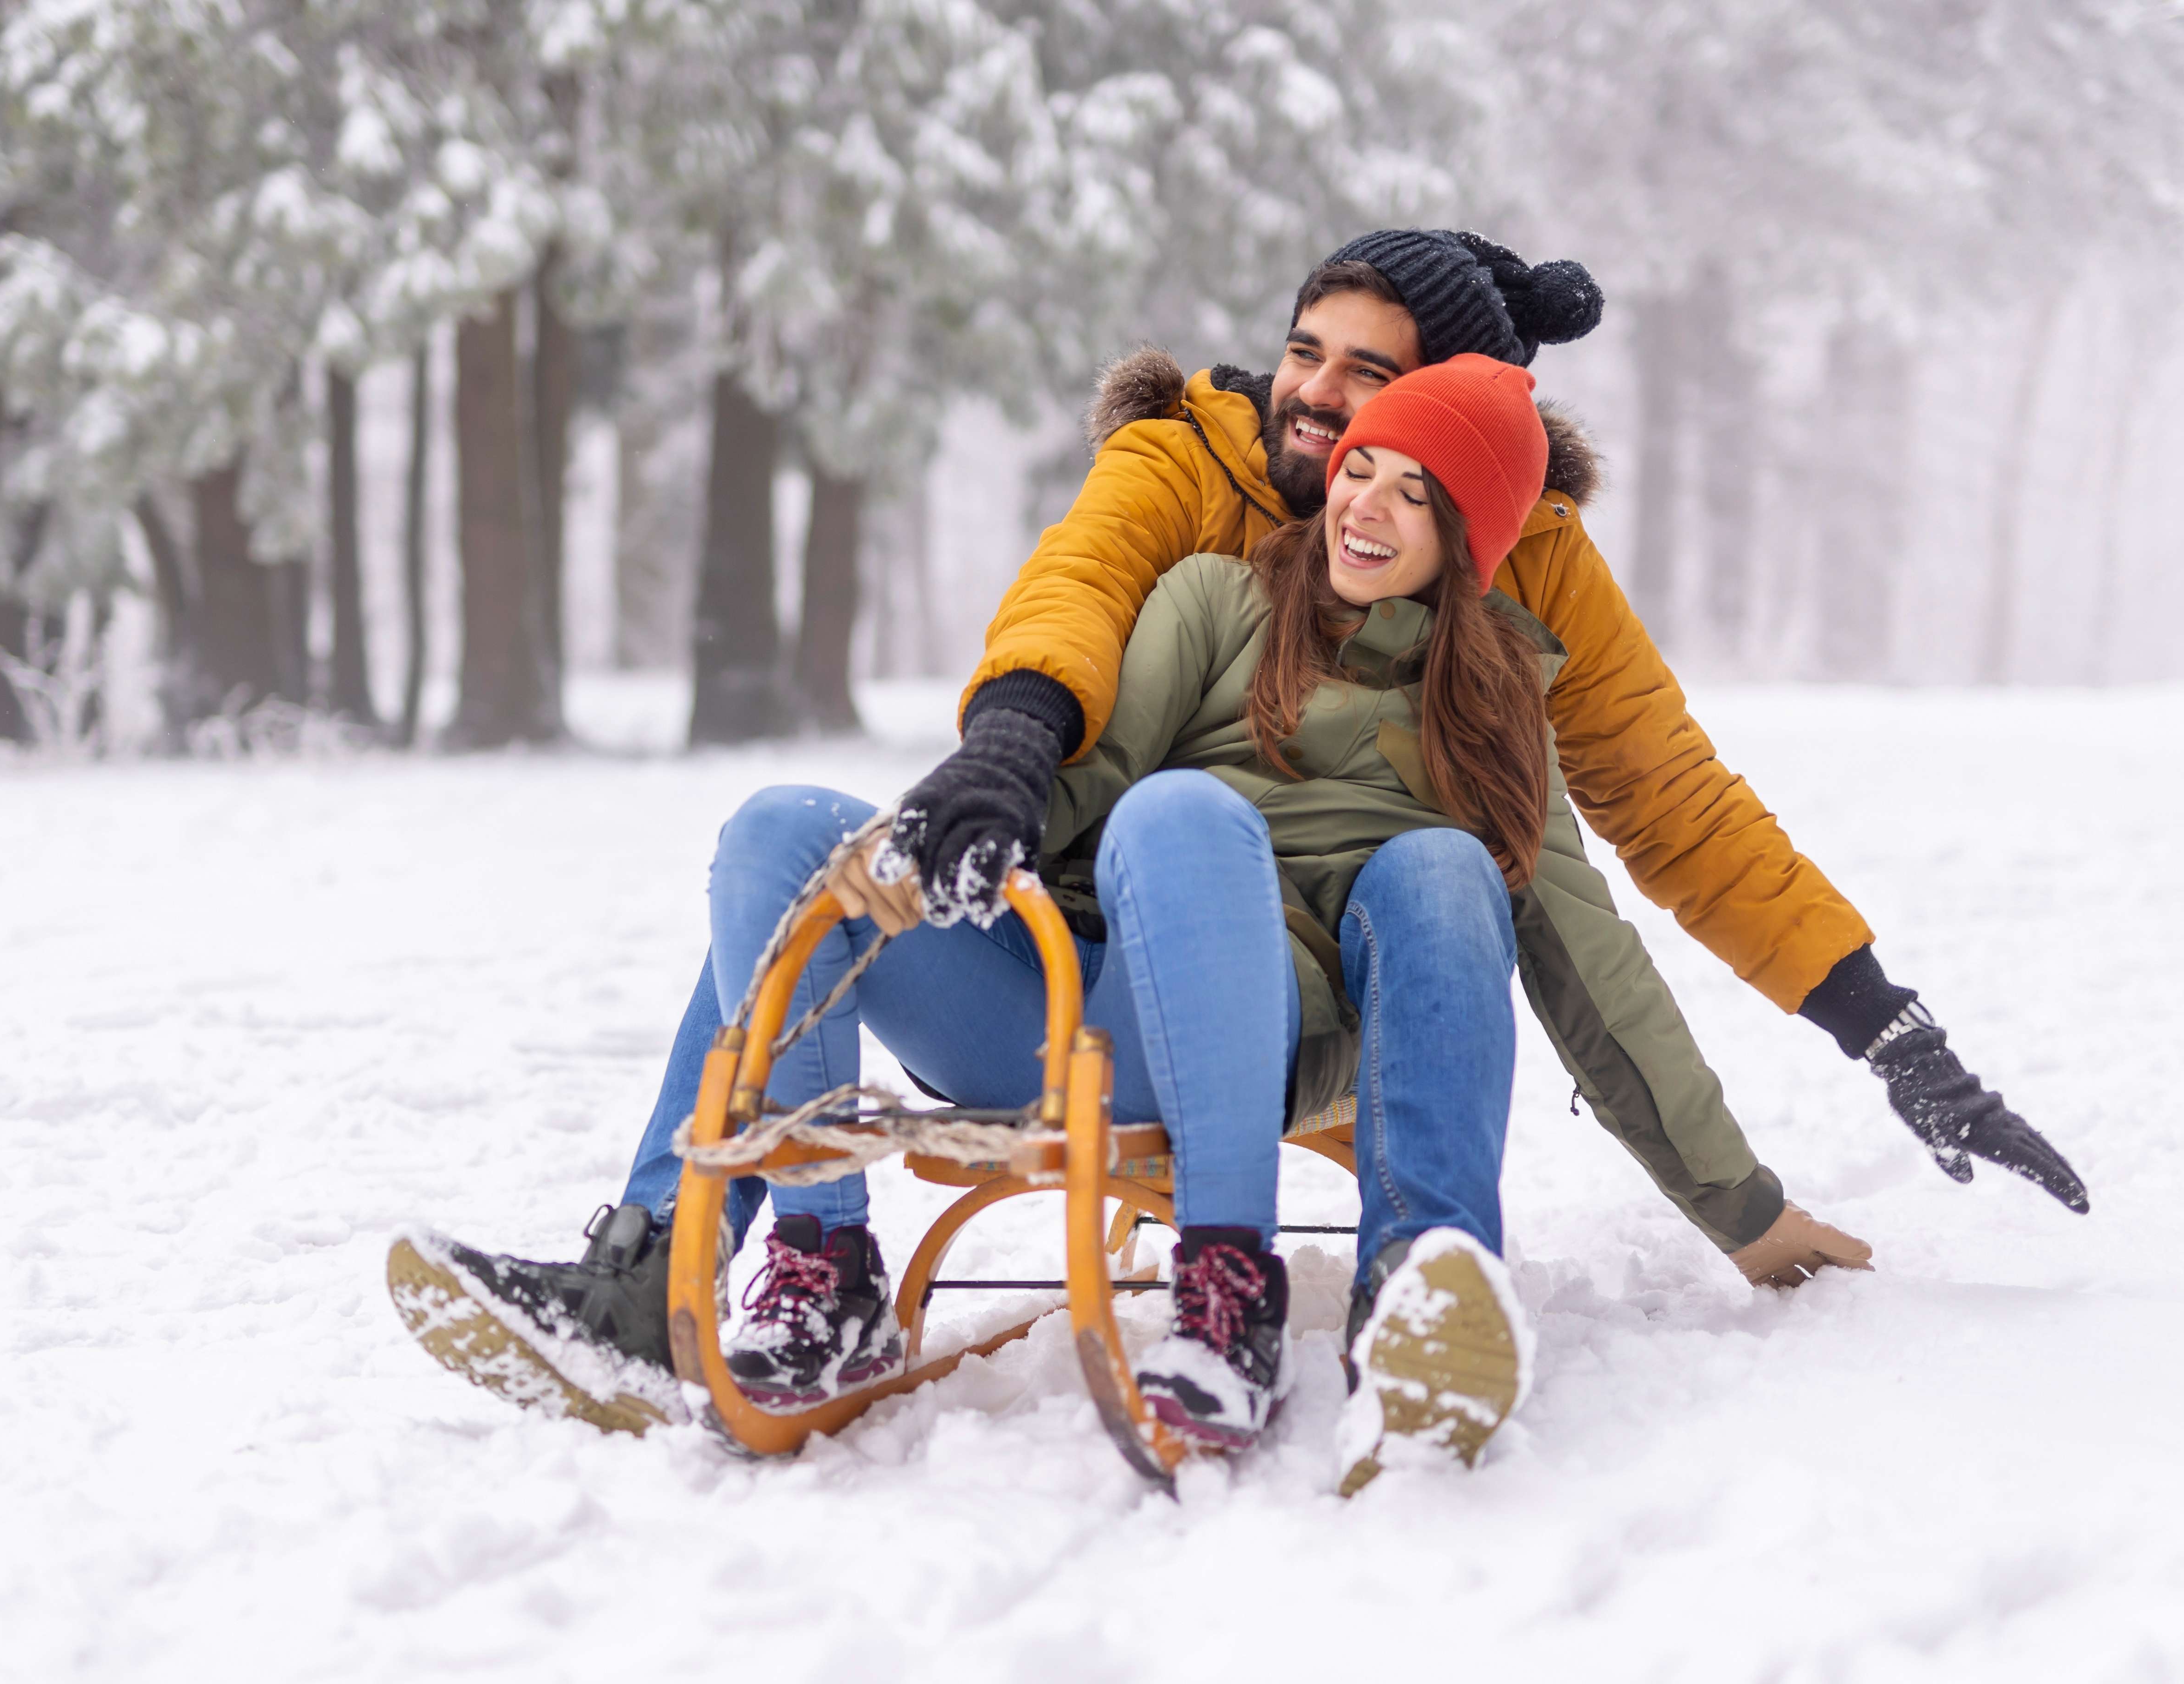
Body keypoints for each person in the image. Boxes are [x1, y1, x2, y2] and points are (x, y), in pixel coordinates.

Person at [390, 230, 2087, 1432]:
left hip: (1310, 994)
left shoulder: (1523, 595)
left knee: (1413, 861)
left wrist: (1881, 1036)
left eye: (1383, 399)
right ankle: (746, 1268)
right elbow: (1075, 603)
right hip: (1098, 958)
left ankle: (1349, 1277)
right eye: (1307, 356)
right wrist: (995, 760)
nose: (1326, 420)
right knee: (795, 842)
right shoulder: (1197, 498)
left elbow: (1658, 824)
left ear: (1464, 445)